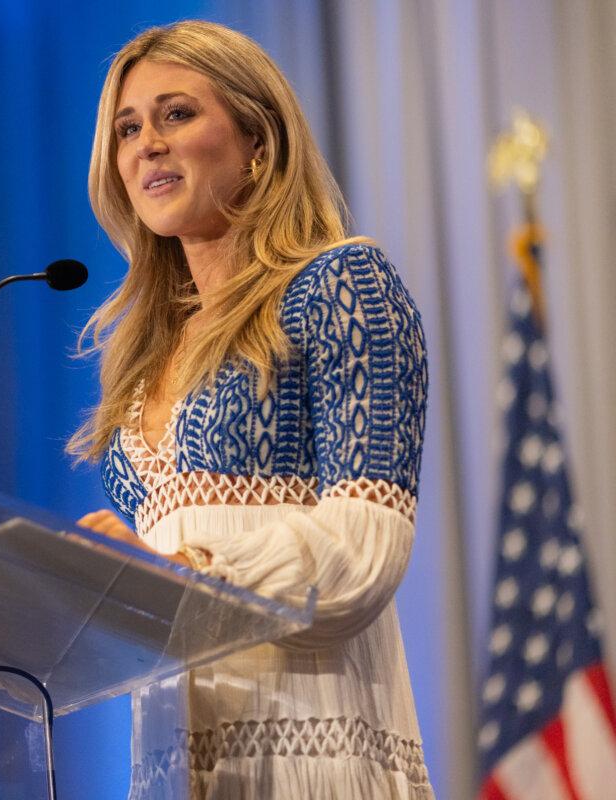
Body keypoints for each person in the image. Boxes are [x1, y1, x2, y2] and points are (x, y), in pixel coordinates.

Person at [71, 21, 433, 799]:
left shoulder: (342, 289)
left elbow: (365, 550)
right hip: (179, 772)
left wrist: (187, 578)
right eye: (128, 129)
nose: (147, 146)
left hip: (315, 759)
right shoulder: (132, 383)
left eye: (176, 115)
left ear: (258, 141)